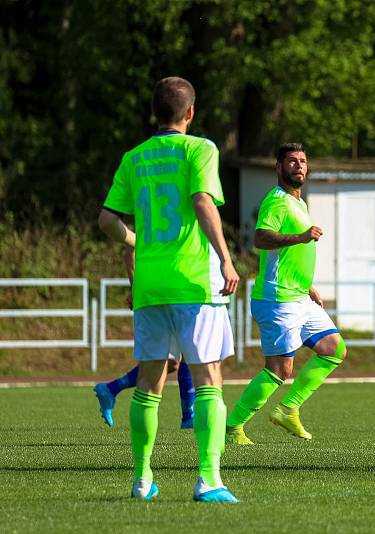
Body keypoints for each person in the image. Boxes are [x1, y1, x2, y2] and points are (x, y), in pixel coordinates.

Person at [98, 76, 239, 502]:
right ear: (190, 113)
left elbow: (106, 220)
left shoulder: (134, 157)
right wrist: (226, 258)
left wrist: (137, 243)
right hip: (194, 280)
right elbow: (201, 202)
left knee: (148, 383)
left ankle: (142, 480)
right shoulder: (201, 148)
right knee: (208, 379)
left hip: (150, 282)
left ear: (154, 112)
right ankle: (209, 479)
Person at [225, 143, 345, 446]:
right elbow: (262, 239)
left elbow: (291, 259)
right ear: (278, 168)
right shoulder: (277, 201)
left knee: (334, 348)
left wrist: (307, 286)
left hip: (298, 296)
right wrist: (302, 237)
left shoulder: (299, 203)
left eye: (303, 161)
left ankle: (288, 409)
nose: (299, 166)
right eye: (291, 161)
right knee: (279, 368)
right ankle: (233, 425)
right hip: (277, 299)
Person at [94, 249, 195, 429]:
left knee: (172, 362)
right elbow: (130, 251)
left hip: (171, 291)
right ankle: (188, 417)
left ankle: (111, 389)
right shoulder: (155, 223)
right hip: (161, 296)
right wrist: (135, 288)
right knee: (176, 357)